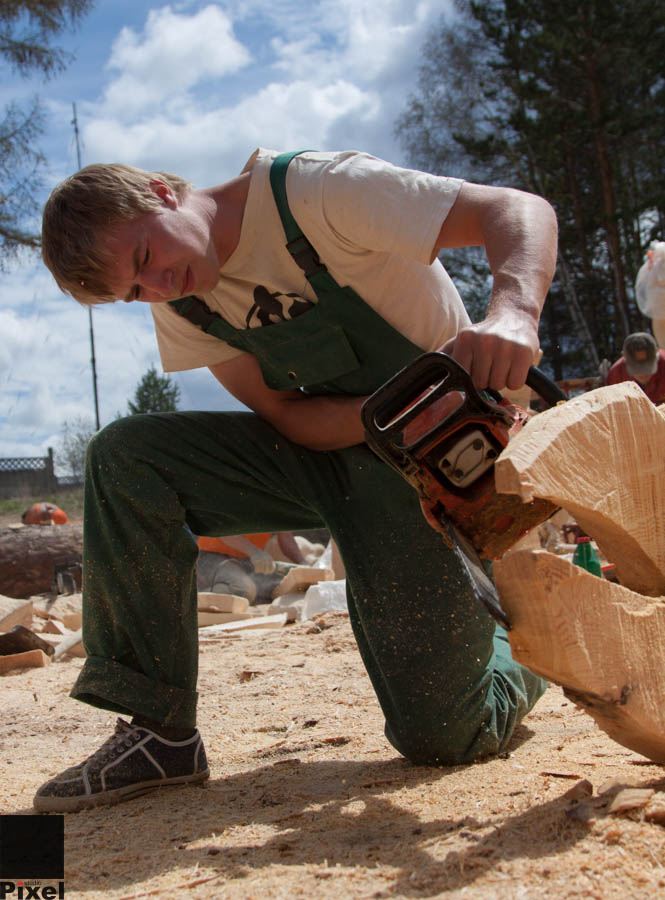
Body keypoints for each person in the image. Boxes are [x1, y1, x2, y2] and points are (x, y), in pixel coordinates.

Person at [34, 148, 558, 813]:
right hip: (332, 450)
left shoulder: (312, 192)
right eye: (135, 293)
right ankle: (158, 732)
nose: (159, 290)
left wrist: (512, 310)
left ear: (162, 193)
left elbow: (515, 209)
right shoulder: (182, 303)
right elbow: (286, 414)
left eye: (144, 260)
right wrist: (380, 423)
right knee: (126, 457)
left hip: (435, 467)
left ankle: (528, 640)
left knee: (445, 735)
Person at [196, 531, 305, 603]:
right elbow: (224, 531)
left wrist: (303, 563)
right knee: (243, 589)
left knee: (281, 585)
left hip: (246, 559)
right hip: (209, 555)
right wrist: (254, 551)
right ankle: (191, 600)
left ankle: (220, 592)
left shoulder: (278, 504)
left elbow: (285, 536)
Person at [605, 332, 665, 404]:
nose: (643, 374)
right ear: (625, 359)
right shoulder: (616, 375)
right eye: (637, 369)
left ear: (657, 357)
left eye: (648, 368)